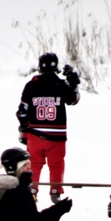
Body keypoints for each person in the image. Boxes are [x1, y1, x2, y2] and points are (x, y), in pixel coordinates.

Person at [16, 53, 80, 203]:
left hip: (35, 135)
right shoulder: (60, 84)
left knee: (34, 164)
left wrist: (24, 127)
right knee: (56, 164)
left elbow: (22, 111)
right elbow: (74, 99)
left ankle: (32, 190)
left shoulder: (31, 85)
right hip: (57, 137)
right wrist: (74, 85)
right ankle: (55, 191)